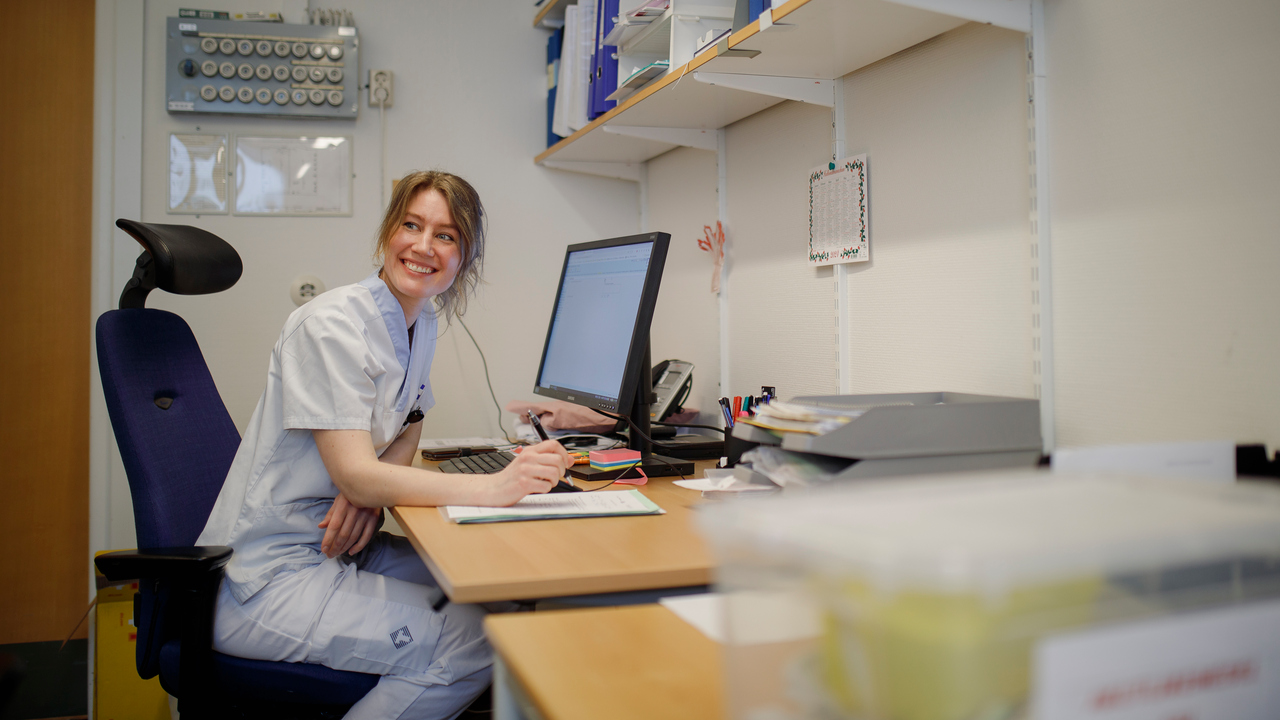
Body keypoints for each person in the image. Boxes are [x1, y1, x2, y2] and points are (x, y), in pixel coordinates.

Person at [196, 170, 571, 719]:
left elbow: (410, 418)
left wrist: (367, 491)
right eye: (411, 225)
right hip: (266, 578)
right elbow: (354, 473)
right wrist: (497, 485)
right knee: (478, 640)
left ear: (465, 255)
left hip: (337, 547)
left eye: (445, 235)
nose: (423, 246)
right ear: (387, 233)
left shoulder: (417, 322)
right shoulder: (331, 324)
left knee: (505, 593)